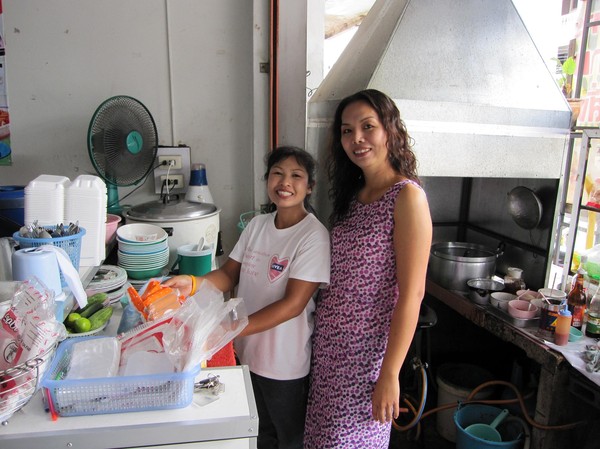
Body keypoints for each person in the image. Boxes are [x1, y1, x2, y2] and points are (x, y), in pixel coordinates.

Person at [163, 146, 330, 449]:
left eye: (296, 176)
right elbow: (228, 276)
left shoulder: (313, 236)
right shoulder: (257, 226)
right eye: (277, 174)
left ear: (310, 186)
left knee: (289, 438)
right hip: (247, 356)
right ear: (267, 180)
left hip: (284, 365)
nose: (285, 183)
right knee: (258, 432)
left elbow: (293, 305)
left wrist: (231, 328)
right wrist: (193, 282)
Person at [303, 89, 432, 448]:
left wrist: (389, 372)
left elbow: (412, 294)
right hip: (329, 347)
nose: (356, 138)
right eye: (346, 130)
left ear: (389, 129)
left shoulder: (407, 197)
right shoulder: (353, 196)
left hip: (367, 356)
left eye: (367, 126)